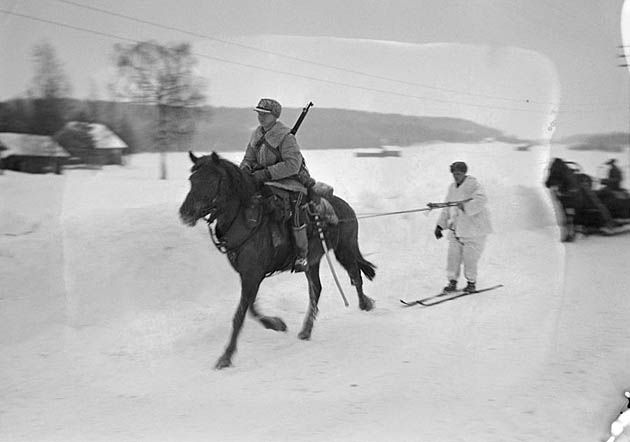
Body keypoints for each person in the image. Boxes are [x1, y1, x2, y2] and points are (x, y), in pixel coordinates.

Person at [239, 98, 313, 272]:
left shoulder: (286, 137)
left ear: (275, 116)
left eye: (265, 114)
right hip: (263, 179)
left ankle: (302, 255)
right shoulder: (256, 134)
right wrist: (244, 170)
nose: (261, 117)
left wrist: (266, 173)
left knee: (296, 208)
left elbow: (293, 165)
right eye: (259, 113)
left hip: (289, 181)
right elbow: (249, 158)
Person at [434, 162, 492, 294]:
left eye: (458, 174)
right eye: (454, 174)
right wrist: (440, 226)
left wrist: (465, 206)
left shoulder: (474, 185)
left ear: (464, 173)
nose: (456, 176)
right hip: (456, 229)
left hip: (473, 230)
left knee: (469, 258)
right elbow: (447, 207)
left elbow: (481, 200)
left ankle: (471, 283)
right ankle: (452, 281)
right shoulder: (452, 188)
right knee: (452, 257)